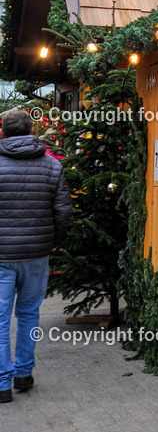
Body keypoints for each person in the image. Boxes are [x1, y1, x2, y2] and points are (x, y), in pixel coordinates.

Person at [0, 109, 72, 402]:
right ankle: (24, 373)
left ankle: (2, 384)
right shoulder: (52, 166)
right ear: (33, 131)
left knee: (0, 320)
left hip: (1, 256)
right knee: (29, 315)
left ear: (3, 132)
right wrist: (50, 241)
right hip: (37, 255)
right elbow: (64, 212)